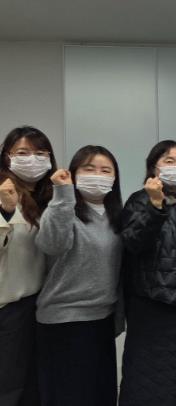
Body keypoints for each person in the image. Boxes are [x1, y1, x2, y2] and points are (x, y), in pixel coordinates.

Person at [34, 145, 123, 406]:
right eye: (89, 168)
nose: (97, 175)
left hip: (102, 320)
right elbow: (52, 245)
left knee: (101, 394)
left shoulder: (116, 216)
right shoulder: (61, 209)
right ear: (73, 173)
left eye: (105, 170)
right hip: (64, 321)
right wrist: (63, 194)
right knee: (69, 397)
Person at [118, 140, 176, 406]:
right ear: (153, 167)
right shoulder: (139, 200)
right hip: (152, 307)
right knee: (148, 383)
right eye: (169, 161)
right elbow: (133, 243)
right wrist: (155, 207)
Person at [0, 125, 57, 406]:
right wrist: (6, 212)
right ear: (7, 157)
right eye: (22, 153)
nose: (32, 159)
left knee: (34, 386)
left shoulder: (50, 197)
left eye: (40, 153)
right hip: (9, 308)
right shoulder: (3, 193)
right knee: (9, 387)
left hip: (41, 305)